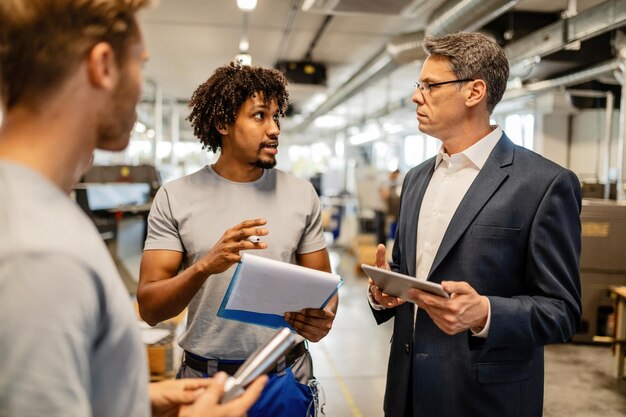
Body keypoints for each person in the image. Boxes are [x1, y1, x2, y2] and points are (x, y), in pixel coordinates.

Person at [0, 1, 265, 416]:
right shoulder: (39, 252)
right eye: (140, 62)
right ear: (103, 66)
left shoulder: (33, 212)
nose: (142, 85)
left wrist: (136, 402)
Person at [368, 32, 581, 417]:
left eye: (430, 86)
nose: (417, 96)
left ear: (474, 92)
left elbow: (562, 311)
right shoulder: (416, 178)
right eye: (419, 85)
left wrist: (485, 312)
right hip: (407, 394)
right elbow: (410, 276)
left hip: (483, 401)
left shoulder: (543, 184)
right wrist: (386, 291)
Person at [137, 62, 338, 416]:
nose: (274, 129)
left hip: (285, 377)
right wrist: (204, 267)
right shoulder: (176, 197)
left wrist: (321, 319)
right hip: (206, 382)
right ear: (223, 124)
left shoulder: (301, 194)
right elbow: (151, 308)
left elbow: (325, 290)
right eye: (260, 116)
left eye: (277, 117)